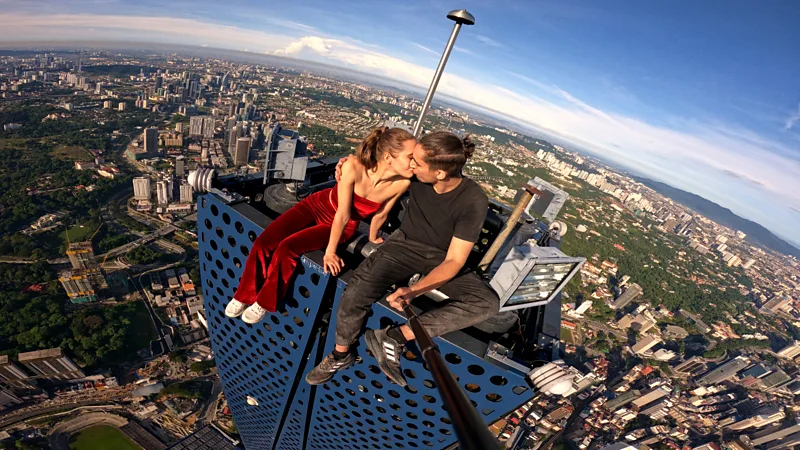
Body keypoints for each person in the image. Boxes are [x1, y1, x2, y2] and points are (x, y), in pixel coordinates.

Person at [306, 131, 500, 386]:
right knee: (356, 292)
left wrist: (414, 291)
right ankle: (341, 354)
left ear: (439, 173)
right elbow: (374, 165)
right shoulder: (416, 175)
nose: (410, 165)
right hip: (404, 245)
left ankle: (396, 337)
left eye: (417, 162)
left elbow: (454, 261)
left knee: (487, 303)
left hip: (441, 258)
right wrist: (346, 163)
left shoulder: (473, 199)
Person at [224, 127, 416, 324]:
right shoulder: (354, 166)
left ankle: (265, 301)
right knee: (264, 242)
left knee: (287, 248)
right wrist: (331, 252)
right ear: (388, 157)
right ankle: (243, 295)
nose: (414, 162)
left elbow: (381, 213)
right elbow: (343, 211)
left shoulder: (402, 183)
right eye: (410, 156)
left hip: (343, 225)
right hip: (317, 205)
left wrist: (373, 237)